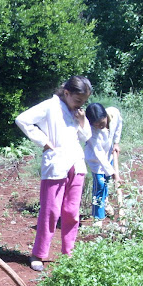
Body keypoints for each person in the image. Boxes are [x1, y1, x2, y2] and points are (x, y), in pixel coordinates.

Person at [15, 76, 92, 271]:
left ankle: (69, 253)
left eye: (83, 102)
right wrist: (45, 142)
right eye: (77, 100)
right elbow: (22, 120)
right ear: (66, 93)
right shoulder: (50, 106)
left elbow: (87, 137)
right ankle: (38, 254)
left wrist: (82, 121)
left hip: (76, 164)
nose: (80, 105)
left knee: (72, 213)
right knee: (50, 211)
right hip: (56, 166)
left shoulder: (76, 112)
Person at [84, 103, 123, 222]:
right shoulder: (90, 131)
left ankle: (105, 203)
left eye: (102, 123)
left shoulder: (114, 113)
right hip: (96, 159)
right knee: (100, 185)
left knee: (106, 182)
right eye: (96, 125)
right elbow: (99, 154)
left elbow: (118, 126)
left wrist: (116, 143)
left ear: (106, 115)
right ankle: (98, 217)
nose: (100, 126)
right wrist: (114, 173)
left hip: (109, 154)